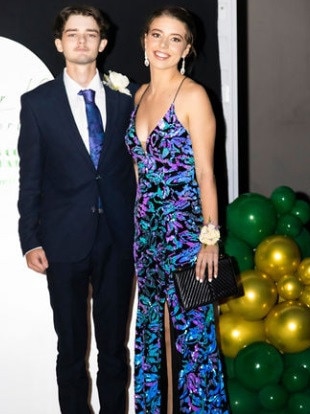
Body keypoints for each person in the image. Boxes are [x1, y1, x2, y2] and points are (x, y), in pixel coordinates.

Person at [17, 5, 137, 414]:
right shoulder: (37, 104)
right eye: (73, 34)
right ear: (59, 43)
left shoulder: (125, 103)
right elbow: (30, 178)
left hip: (118, 240)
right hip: (63, 240)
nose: (82, 40)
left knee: (114, 349)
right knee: (70, 348)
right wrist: (29, 238)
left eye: (90, 34)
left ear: (103, 43)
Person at [125, 6, 230, 413]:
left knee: (195, 341)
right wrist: (138, 233)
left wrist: (210, 239)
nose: (163, 45)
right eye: (156, 35)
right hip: (148, 237)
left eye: (174, 38)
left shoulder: (193, 95)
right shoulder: (140, 96)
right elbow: (140, 176)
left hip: (188, 237)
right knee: (151, 335)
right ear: (145, 42)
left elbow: (206, 173)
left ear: (187, 48)